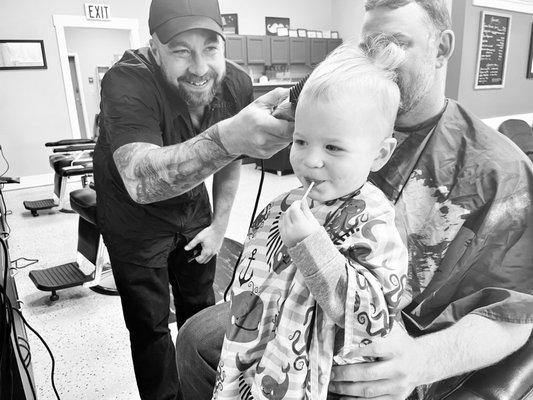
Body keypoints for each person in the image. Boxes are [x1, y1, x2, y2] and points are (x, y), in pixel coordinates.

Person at [176, 1, 533, 399]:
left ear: (442, 48)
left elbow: (515, 312)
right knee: (195, 340)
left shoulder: (500, 172)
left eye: (396, 45)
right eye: (369, 46)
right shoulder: (325, 121)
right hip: (303, 311)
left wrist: (421, 361)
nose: (380, 61)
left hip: (396, 339)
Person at [92, 0, 293, 398]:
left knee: (199, 313)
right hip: (131, 218)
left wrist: (219, 226)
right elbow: (139, 179)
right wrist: (228, 137)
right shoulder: (126, 80)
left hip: (192, 209)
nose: (200, 67)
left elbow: (229, 161)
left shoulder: (233, 81)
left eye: (210, 48)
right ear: (155, 47)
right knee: (149, 325)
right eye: (182, 50)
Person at [213, 44, 408, 400]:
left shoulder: (375, 219)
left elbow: (374, 315)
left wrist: (310, 247)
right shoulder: (281, 204)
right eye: (301, 141)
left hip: (322, 380)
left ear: (380, 154)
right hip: (259, 357)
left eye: (333, 148)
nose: (310, 160)